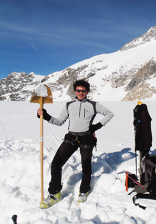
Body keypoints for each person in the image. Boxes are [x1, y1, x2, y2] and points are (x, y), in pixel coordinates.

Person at [37, 80, 114, 208]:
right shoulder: (69, 105)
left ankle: (84, 191)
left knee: (86, 165)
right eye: (78, 90)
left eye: (83, 91)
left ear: (87, 92)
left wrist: (97, 126)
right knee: (56, 163)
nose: (80, 93)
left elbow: (109, 114)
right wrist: (45, 116)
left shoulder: (94, 105)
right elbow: (60, 121)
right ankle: (55, 194)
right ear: (74, 91)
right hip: (71, 137)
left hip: (86, 138)